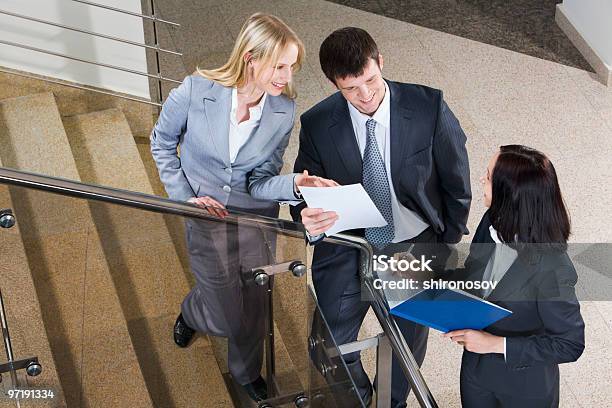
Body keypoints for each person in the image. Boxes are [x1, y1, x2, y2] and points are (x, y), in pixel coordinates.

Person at [150, 13, 331, 402]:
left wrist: (296, 183)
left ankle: (245, 372)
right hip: (205, 217)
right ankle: (194, 312)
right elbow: (162, 144)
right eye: (279, 66)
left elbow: (260, 180)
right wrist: (185, 199)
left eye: (291, 66)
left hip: (255, 219)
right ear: (251, 58)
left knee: (253, 302)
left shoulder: (283, 112)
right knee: (223, 311)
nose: (286, 76)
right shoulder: (196, 91)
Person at [290, 27, 471, 407]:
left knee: (405, 349)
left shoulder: (428, 107)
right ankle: (361, 399)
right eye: (351, 88)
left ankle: (393, 403)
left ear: (381, 63)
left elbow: (457, 180)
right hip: (348, 243)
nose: (366, 95)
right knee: (326, 347)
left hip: (413, 242)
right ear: (334, 83)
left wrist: (444, 244)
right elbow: (303, 195)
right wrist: (306, 213)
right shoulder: (319, 123)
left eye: (371, 80)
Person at [443, 145, 585, 407]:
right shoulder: (491, 221)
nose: (481, 180)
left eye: (488, 176)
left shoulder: (553, 267)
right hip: (476, 371)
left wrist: (496, 344)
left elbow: (570, 344)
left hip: (525, 388)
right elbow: (477, 277)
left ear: (510, 194)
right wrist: (426, 274)